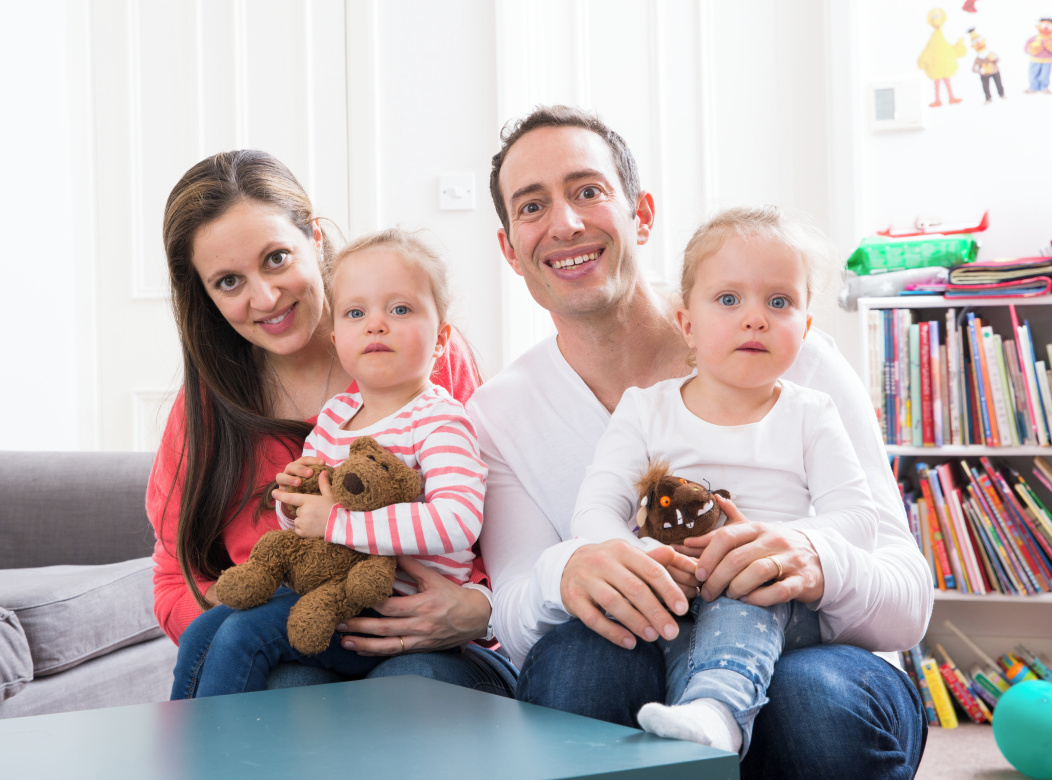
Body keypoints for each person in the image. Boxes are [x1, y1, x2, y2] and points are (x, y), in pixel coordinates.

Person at [467, 106, 932, 778]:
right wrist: (564, 570)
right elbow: (513, 614)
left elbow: (909, 601)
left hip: (813, 654)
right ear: (511, 248)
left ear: (642, 216)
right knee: (578, 662)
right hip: (649, 641)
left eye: (588, 191)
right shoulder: (503, 413)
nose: (565, 222)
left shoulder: (795, 359)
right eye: (533, 205)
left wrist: (814, 558)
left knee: (809, 702)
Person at [149, 150, 514, 699]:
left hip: (442, 647)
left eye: (276, 258)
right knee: (291, 684)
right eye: (228, 281)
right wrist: (255, 612)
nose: (265, 297)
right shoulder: (207, 409)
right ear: (204, 294)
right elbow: (174, 577)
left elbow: (490, 519)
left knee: (403, 685)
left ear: (314, 238)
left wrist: (481, 609)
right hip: (308, 629)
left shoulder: (420, 359)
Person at [569, 206, 879, 756]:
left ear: (805, 329)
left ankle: (719, 712)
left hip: (775, 599)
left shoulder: (812, 414)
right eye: (729, 300)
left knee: (743, 595)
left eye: (779, 302)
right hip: (672, 592)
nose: (755, 318)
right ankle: (690, 723)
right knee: (602, 642)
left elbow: (858, 521)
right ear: (686, 322)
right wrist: (640, 562)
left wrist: (771, 545)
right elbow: (594, 511)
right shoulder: (645, 410)